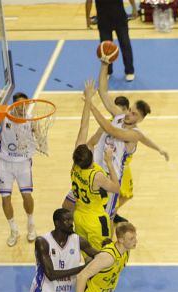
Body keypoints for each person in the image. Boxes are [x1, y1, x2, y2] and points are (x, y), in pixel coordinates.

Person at [88, 62, 169, 221]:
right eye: (130, 110)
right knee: (91, 211)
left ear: (140, 119)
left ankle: (107, 244)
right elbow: (103, 92)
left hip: (112, 178)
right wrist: (105, 64)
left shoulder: (133, 134)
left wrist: (89, 106)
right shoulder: (119, 115)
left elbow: (112, 131)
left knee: (107, 218)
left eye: (133, 114)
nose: (128, 115)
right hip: (96, 170)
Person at [63, 80, 121, 250]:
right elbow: (116, 188)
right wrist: (109, 163)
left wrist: (88, 100)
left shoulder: (75, 166)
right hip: (95, 219)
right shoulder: (97, 176)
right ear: (92, 157)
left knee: (85, 252)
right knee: (100, 253)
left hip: (79, 215)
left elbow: (84, 125)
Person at [0, 92, 37, 247]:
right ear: (13, 106)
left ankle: (31, 224)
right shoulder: (4, 117)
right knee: (5, 198)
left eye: (25, 104)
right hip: (4, 163)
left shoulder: (31, 119)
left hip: (23, 163)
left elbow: (38, 134)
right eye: (19, 105)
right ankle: (13, 230)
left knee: (26, 195)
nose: (23, 108)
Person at [85, 0, 137, 81]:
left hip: (120, 18)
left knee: (125, 44)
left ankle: (129, 71)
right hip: (103, 20)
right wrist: (87, 18)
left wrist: (134, 8)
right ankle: (108, 71)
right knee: (105, 49)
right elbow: (89, 1)